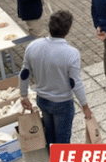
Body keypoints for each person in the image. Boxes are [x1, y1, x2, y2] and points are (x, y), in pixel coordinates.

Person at [19, 10, 92, 146]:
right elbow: (75, 83)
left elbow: (24, 74)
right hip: (62, 103)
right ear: (67, 30)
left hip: (42, 99)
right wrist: (85, 106)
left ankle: (52, 158)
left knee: (49, 133)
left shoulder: (33, 47)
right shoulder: (72, 54)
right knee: (63, 139)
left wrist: (23, 96)